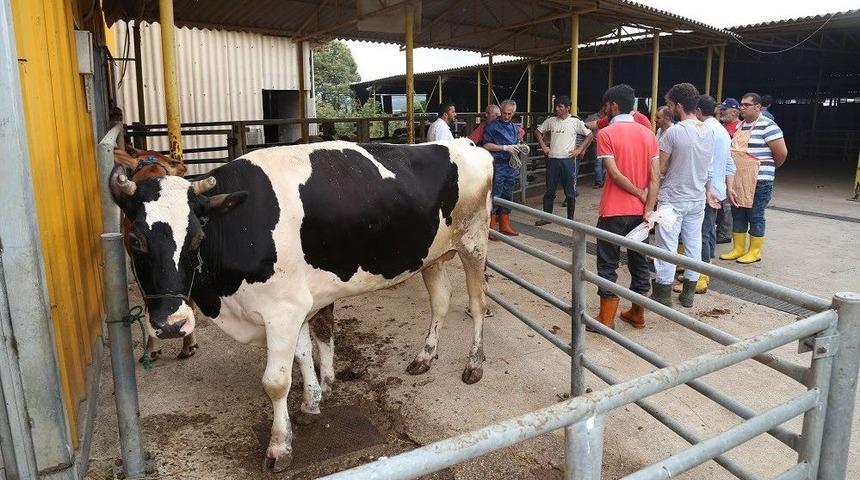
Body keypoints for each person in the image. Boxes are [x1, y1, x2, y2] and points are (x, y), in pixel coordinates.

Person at [589, 84, 659, 331]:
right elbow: (655, 176)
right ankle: (637, 313)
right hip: (641, 212)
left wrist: (638, 192)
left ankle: (606, 319)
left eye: (606, 105)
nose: (604, 110)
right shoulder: (648, 134)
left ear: (614, 106)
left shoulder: (607, 133)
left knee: (607, 262)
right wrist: (648, 205)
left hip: (613, 210)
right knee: (639, 259)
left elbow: (614, 174)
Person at [646, 83, 714, 309]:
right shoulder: (708, 131)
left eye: (669, 104)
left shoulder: (673, 132)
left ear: (678, 104)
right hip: (696, 198)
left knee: (667, 245)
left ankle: (663, 292)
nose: (669, 108)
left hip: (673, 197)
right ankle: (688, 293)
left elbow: (660, 168)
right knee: (693, 243)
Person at [719, 92, 787, 264]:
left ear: (757, 107)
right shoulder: (740, 126)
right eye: (741, 104)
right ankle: (738, 248)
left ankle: (754, 251)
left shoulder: (768, 126)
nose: (742, 107)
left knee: (756, 215)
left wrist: (767, 168)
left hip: (760, 180)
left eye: (746, 105)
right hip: (739, 179)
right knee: (738, 213)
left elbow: (781, 153)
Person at [677, 95, 735, 295]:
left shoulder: (705, 130)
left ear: (699, 111)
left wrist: (705, 189)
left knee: (700, 233)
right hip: (717, 189)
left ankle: (701, 275)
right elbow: (729, 163)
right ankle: (702, 271)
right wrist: (728, 189)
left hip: (704, 189)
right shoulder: (722, 131)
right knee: (708, 231)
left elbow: (706, 164)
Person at [534, 96, 593, 224]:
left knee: (570, 191)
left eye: (560, 107)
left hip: (568, 160)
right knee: (550, 190)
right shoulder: (551, 121)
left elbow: (589, 135)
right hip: (553, 159)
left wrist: (580, 150)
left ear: (568, 108)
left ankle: (570, 220)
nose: (557, 109)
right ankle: (546, 218)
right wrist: (544, 146)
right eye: (556, 106)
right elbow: (538, 132)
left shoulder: (575, 122)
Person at [483, 99, 527, 237]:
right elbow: (486, 145)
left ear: (513, 113)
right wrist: (504, 147)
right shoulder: (492, 126)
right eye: (504, 113)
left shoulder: (514, 128)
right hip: (498, 164)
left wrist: (517, 148)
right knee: (495, 194)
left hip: (510, 165)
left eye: (509, 113)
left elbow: (516, 141)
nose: (506, 116)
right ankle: (490, 227)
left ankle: (504, 224)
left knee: (507, 194)